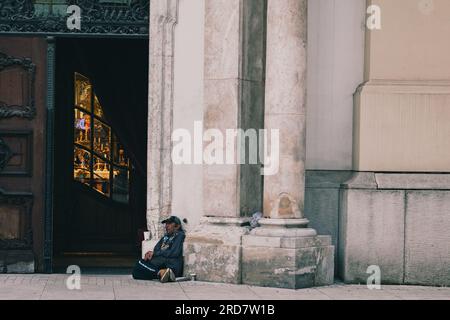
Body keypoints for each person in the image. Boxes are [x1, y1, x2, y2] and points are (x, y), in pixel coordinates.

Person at [132, 216, 186, 283]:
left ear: (177, 226)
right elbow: (156, 249)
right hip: (161, 263)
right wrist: (150, 254)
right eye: (166, 224)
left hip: (171, 266)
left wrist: (156, 253)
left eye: (169, 224)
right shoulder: (165, 237)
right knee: (137, 270)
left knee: (140, 265)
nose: (166, 226)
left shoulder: (179, 235)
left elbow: (174, 252)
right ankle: (161, 273)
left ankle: (164, 273)